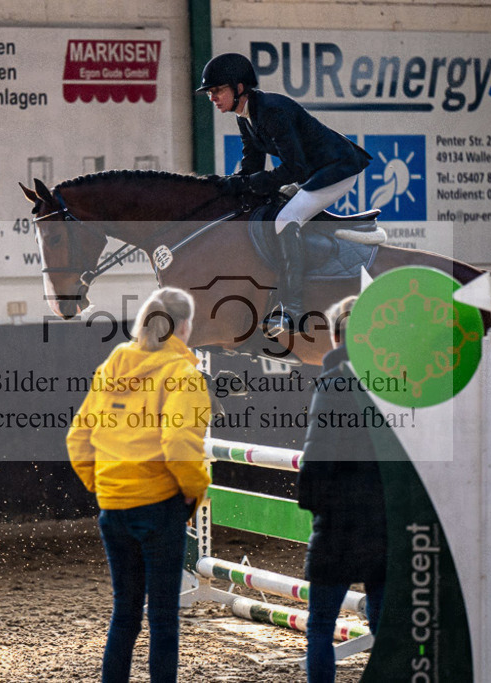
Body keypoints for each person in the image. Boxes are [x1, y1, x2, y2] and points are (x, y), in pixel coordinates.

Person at [66, 286, 211, 683]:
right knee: (163, 617)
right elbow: (179, 442)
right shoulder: (183, 374)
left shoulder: (112, 365)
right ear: (184, 325)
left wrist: (103, 486)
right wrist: (196, 489)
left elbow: (78, 438)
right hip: (160, 505)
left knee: (124, 613)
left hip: (114, 509)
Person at [196, 53, 372, 338]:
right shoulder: (245, 117)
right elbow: (252, 166)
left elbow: (294, 168)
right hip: (311, 172)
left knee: (285, 219)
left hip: (336, 170)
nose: (212, 98)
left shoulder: (272, 111)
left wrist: (253, 182)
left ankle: (293, 309)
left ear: (239, 88)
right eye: (210, 93)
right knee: (267, 206)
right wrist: (228, 185)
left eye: (217, 90)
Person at [296, 295, 387, 683]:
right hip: (385, 520)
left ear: (335, 337)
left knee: (319, 628)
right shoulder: (394, 381)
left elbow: (318, 454)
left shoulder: (332, 383)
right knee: (386, 629)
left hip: (338, 524)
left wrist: (313, 504)